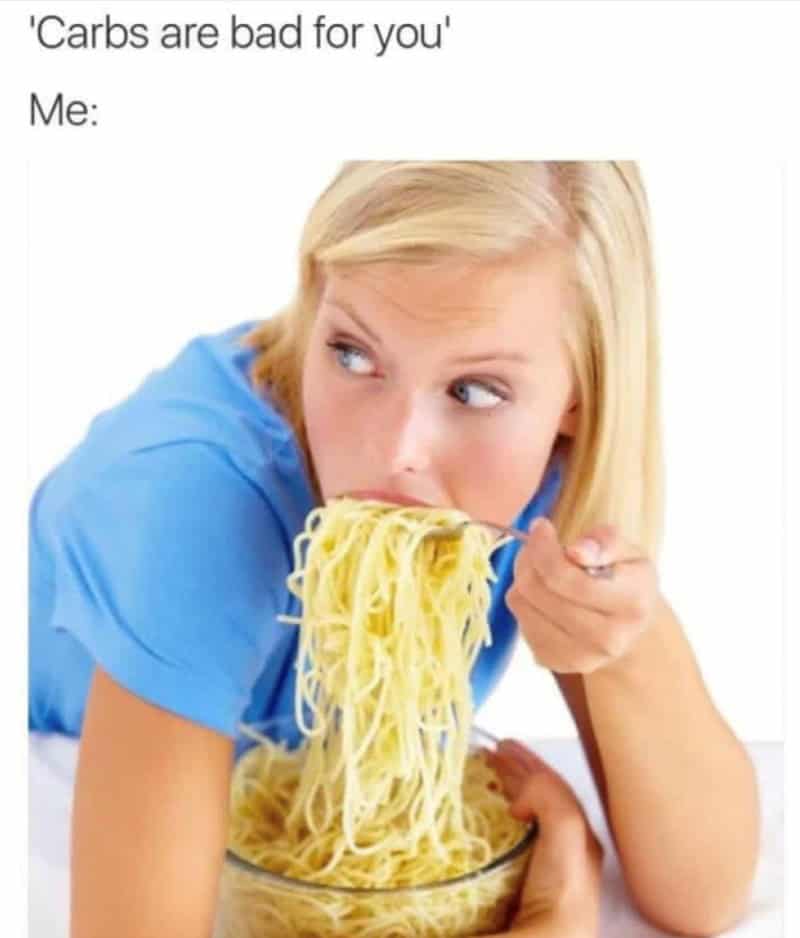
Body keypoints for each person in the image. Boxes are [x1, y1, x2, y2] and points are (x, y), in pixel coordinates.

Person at [29, 161, 759, 938]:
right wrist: (551, 916)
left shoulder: (531, 477)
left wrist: (623, 645)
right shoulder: (195, 510)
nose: (396, 451)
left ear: (574, 398)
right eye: (351, 353)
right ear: (317, 303)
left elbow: (702, 897)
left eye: (473, 390)